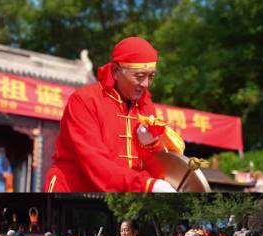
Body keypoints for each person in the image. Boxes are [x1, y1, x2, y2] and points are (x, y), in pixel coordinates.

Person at [44, 36, 186, 192]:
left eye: (151, 76)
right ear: (116, 71)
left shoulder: (145, 105)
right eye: (139, 76)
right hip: (73, 189)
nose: (145, 84)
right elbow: (94, 162)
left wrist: (152, 145)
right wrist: (147, 185)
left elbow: (153, 162)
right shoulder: (84, 100)